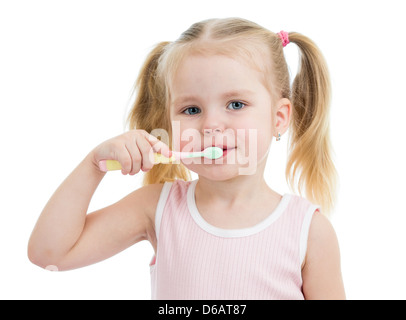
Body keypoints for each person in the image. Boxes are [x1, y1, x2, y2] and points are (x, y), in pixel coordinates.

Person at [28, 17, 345, 300]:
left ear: (278, 117)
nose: (210, 126)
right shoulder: (156, 208)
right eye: (191, 110)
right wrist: (93, 165)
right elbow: (49, 253)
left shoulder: (310, 231)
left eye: (235, 104)